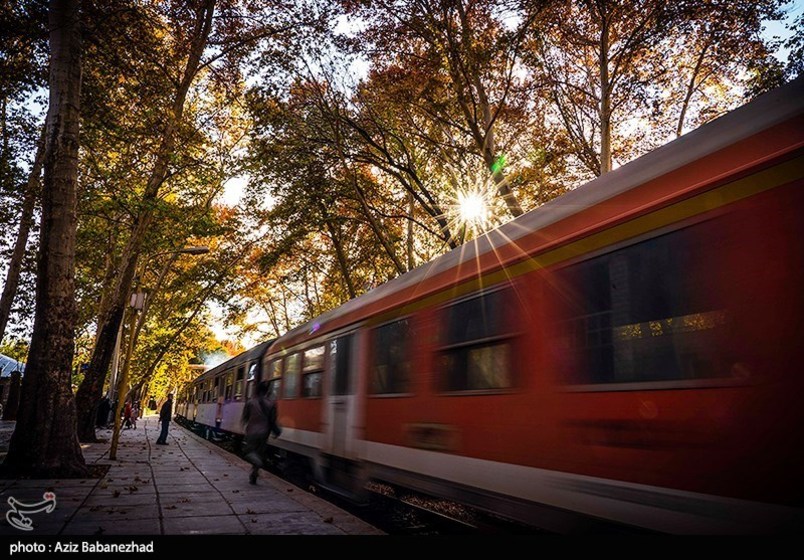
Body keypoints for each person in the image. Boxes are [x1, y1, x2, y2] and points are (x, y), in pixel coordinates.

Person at [241, 381, 281, 484]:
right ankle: (253, 475)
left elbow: (245, 418)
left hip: (252, 431)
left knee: (248, 452)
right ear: (267, 391)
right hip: (264, 433)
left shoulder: (250, 402)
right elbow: (273, 420)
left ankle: (257, 463)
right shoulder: (271, 403)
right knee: (259, 453)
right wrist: (276, 431)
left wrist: (243, 425)